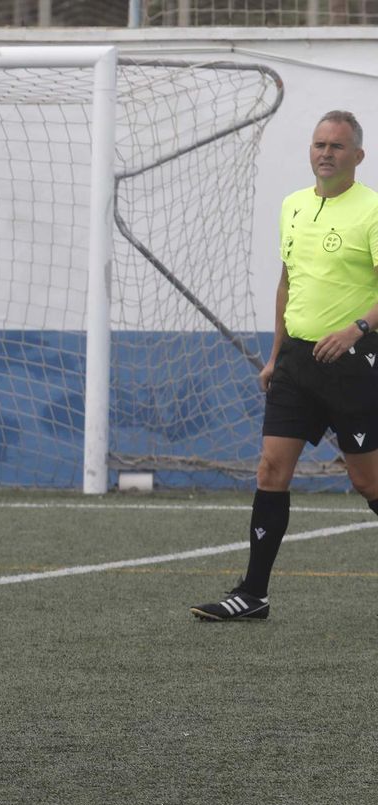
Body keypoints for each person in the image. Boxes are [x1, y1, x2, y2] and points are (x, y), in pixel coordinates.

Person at [191, 111, 378, 622]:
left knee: (368, 482)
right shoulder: (293, 206)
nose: (325, 153)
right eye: (319, 143)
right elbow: (286, 282)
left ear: (357, 156)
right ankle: (253, 594)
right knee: (272, 469)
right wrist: (275, 356)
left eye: (337, 146)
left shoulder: (372, 211)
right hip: (297, 362)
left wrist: (355, 329)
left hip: (354, 363)